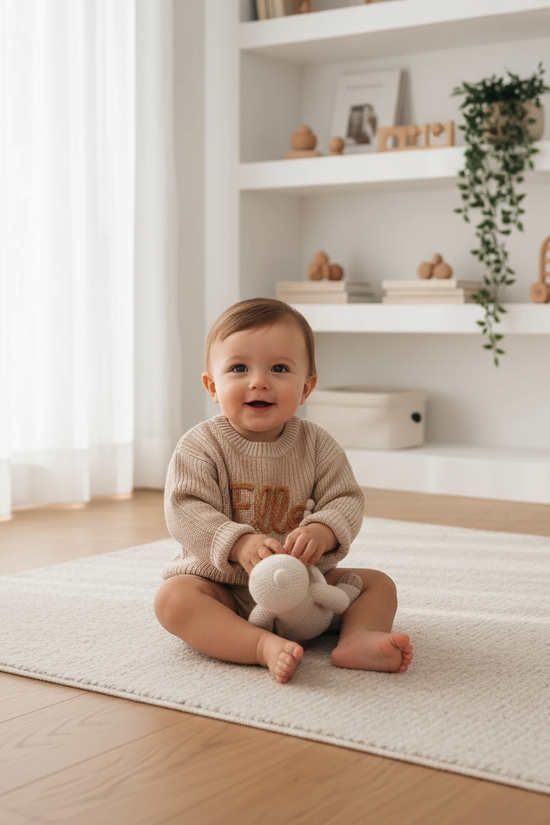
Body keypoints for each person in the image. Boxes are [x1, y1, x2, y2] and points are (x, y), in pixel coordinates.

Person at [154, 298, 413, 683]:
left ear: (306, 387)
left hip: (309, 592)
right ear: (212, 386)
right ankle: (257, 645)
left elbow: (345, 498)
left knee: (379, 584)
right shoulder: (200, 445)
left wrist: (323, 531)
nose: (258, 381)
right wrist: (239, 544)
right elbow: (185, 509)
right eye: (239, 368)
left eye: (279, 368)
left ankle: (356, 640)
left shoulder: (317, 445)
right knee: (173, 599)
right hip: (227, 592)